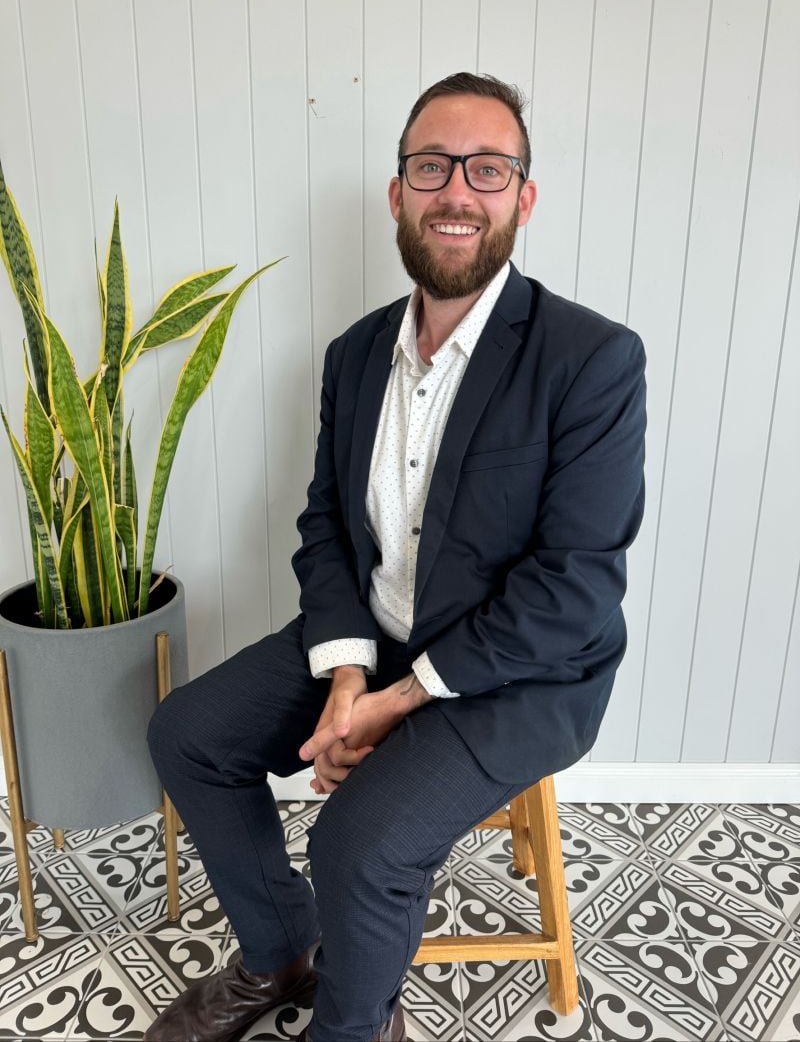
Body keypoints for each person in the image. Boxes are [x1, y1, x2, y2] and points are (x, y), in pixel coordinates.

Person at [144, 72, 646, 1042]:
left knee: (356, 841)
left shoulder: (591, 359)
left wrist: (398, 697)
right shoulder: (354, 354)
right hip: (376, 632)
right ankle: (280, 951)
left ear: (522, 198)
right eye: (431, 166)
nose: (456, 190)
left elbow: (575, 585)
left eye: (486, 169)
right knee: (188, 734)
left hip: (522, 675)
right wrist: (346, 675)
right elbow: (327, 524)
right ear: (397, 192)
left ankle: (358, 1023)